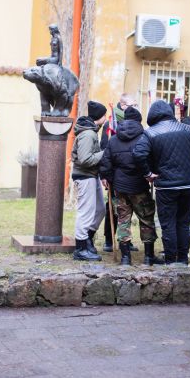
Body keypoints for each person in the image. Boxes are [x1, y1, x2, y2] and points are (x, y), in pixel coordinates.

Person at [133, 99, 190, 265]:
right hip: (187, 184)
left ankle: (171, 260)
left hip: (166, 186)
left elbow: (138, 154)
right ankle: (183, 259)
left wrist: (148, 173)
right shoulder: (187, 129)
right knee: (183, 222)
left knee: (168, 223)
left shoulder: (150, 133)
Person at [99, 107, 163, 266]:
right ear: (139, 121)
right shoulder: (145, 138)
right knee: (146, 220)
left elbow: (106, 162)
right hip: (140, 186)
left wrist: (107, 178)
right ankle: (148, 258)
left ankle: (125, 259)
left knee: (123, 221)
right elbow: (152, 160)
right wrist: (152, 173)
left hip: (120, 188)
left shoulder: (114, 139)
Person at [100, 93, 138, 252]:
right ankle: (109, 240)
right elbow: (104, 149)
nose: (135, 108)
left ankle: (126, 240)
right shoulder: (111, 124)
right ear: (122, 106)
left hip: (131, 173)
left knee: (128, 209)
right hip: (115, 174)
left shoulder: (134, 122)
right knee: (114, 208)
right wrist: (105, 174)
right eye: (132, 105)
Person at [71, 100, 108, 261]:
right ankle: (80, 249)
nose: (106, 117)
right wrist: (105, 152)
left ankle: (87, 240)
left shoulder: (92, 131)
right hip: (85, 176)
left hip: (92, 176)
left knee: (100, 209)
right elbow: (85, 159)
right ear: (99, 117)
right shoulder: (88, 134)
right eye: (104, 115)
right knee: (85, 212)